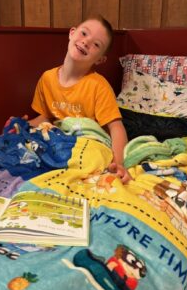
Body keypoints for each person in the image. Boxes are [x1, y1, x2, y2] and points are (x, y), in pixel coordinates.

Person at [25, 14, 131, 183]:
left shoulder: (99, 86)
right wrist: (23, 125)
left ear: (100, 59)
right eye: (84, 33)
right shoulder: (47, 78)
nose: (86, 42)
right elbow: (46, 117)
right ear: (72, 33)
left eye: (96, 44)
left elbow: (116, 127)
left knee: (91, 156)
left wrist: (118, 164)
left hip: (86, 143)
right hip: (59, 143)